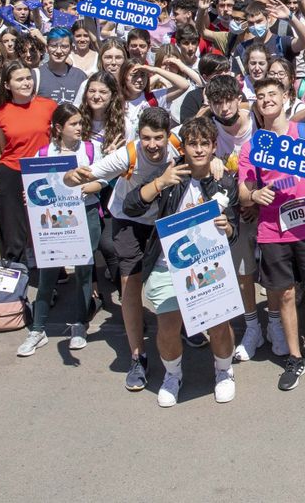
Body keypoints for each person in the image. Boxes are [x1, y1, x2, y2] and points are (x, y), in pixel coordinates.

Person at [236, 80, 305, 399]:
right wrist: (253, 194)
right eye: (261, 96)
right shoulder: (252, 145)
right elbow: (243, 193)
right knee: (285, 296)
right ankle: (295, 358)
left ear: (286, 99)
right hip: (273, 231)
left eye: (273, 94)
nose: (267, 100)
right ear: (256, 104)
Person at [119, 116, 240, 406]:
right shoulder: (169, 176)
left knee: (219, 325)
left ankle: (224, 372)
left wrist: (227, 227)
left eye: (204, 144)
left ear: (213, 147)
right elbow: (131, 206)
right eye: (192, 144)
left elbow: (233, 232)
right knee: (169, 326)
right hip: (168, 266)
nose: (198, 150)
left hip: (210, 266)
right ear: (183, 147)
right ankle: (172, 375)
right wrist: (159, 183)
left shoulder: (223, 180)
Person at [64, 106, 181, 394]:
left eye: (158, 138)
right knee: (131, 284)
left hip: (164, 220)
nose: (152, 145)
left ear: (169, 135)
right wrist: (72, 176)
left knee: (179, 277)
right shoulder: (126, 155)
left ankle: (185, 329)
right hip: (128, 220)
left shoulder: (179, 144)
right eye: (146, 138)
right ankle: (137, 357)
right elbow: (76, 178)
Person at [17, 103, 103, 357]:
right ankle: (38, 328)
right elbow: (33, 185)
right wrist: (28, 194)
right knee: (48, 273)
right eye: (73, 124)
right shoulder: (43, 154)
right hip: (52, 220)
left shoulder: (91, 148)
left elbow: (105, 178)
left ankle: (79, 323)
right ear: (58, 127)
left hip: (85, 214)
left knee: (83, 272)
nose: (79, 128)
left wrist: (86, 188)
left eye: (80, 123)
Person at [0, 62, 58, 264]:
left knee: (48, 223)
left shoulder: (49, 106)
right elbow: (2, 148)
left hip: (43, 173)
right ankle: (16, 271)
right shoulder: (0, 113)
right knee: (13, 229)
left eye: (28, 78)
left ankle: (53, 268)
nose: (26, 83)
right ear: (7, 85)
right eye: (20, 79)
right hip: (12, 172)